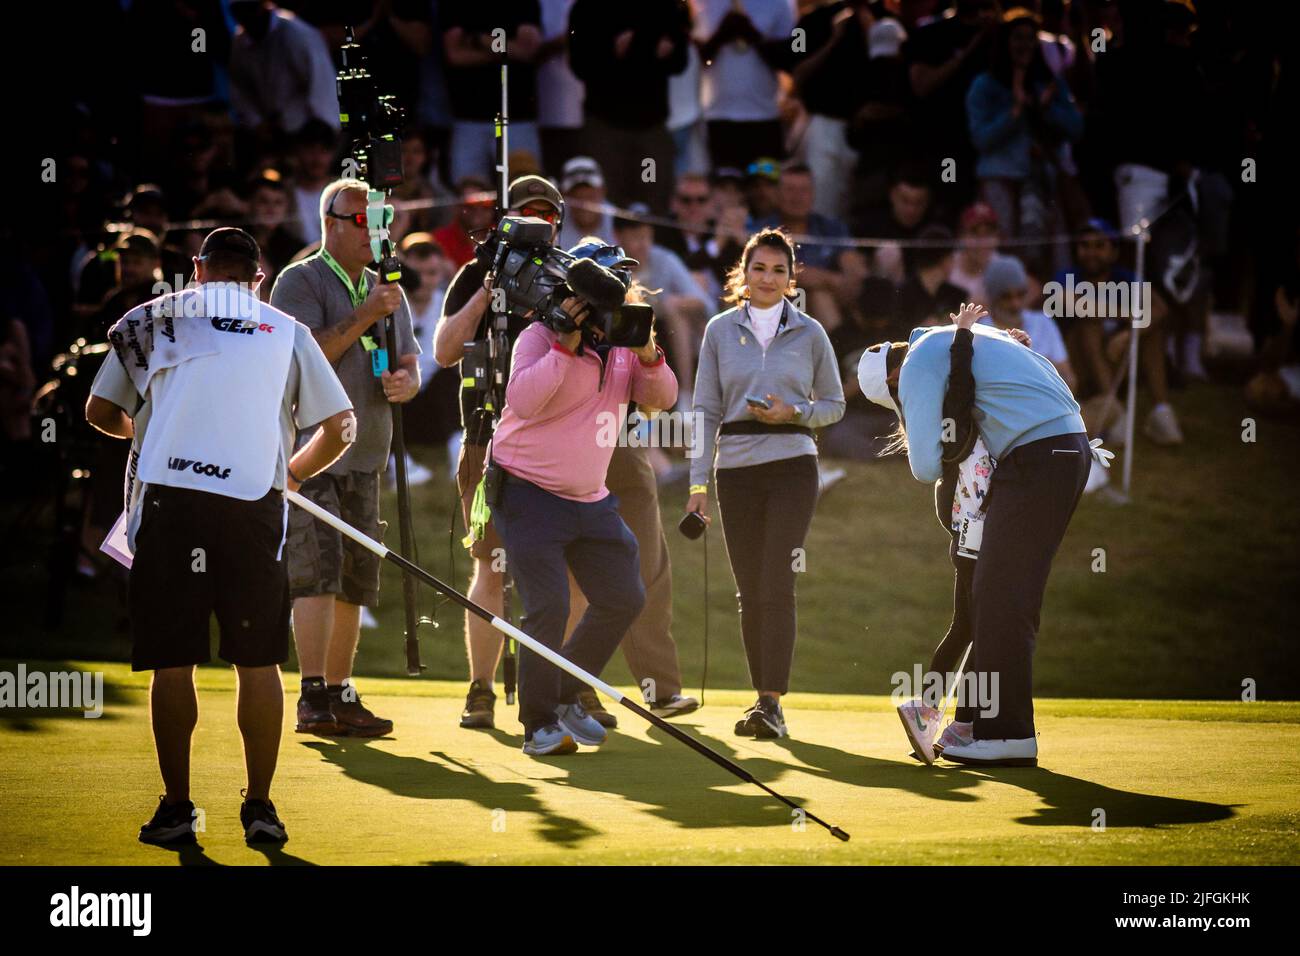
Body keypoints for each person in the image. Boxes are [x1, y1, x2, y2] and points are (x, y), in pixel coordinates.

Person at [84, 227, 355, 845]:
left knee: (172, 662)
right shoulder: (286, 330)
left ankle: (177, 810)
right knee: (258, 662)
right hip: (252, 506)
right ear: (258, 279)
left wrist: (154, 434)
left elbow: (99, 412)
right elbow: (341, 427)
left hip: (169, 503)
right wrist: (291, 473)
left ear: (198, 270)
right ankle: (260, 808)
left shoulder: (149, 318)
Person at [857, 298, 1092, 767]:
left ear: (892, 380)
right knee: (992, 597)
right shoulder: (956, 344)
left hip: (1040, 454)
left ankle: (1006, 734)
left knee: (1001, 598)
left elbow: (925, 468)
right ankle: (975, 724)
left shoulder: (924, 362)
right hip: (1060, 448)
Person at [486, 269, 678, 756]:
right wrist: (564, 347)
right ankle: (538, 724)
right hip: (527, 494)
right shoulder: (537, 337)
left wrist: (647, 352)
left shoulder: (620, 349)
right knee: (548, 606)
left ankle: (566, 689)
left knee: (624, 596)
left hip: (589, 498)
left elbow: (663, 398)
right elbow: (523, 401)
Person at [271, 179, 422, 738]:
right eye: (363, 222)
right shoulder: (300, 279)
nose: (375, 234)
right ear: (330, 222)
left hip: (368, 449)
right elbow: (301, 355)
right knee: (317, 572)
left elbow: (408, 357)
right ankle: (312, 693)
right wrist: (364, 313)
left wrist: (408, 379)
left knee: (359, 576)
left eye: (381, 223)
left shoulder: (387, 286)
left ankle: (340, 692)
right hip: (313, 453)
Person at [687, 228, 845, 739]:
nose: (769, 279)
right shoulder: (717, 331)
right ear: (744, 273)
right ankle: (762, 702)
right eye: (760, 269)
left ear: (791, 279)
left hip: (792, 464)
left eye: (779, 270)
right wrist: (696, 484)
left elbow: (835, 405)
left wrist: (792, 412)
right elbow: (705, 411)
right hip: (733, 471)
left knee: (778, 582)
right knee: (749, 591)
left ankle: (771, 702)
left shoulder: (811, 333)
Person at [432, 174, 566, 729]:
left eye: (548, 218)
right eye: (526, 217)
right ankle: (481, 688)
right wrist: (491, 288)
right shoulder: (475, 273)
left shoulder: (571, 276)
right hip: (487, 439)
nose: (538, 227)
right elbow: (442, 351)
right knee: (491, 563)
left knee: (563, 571)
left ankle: (564, 689)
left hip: (557, 445)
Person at [894, 302, 1037, 763]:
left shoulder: (979, 423)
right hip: (974, 535)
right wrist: (962, 338)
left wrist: (1009, 347)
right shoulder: (954, 427)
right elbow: (961, 386)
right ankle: (931, 711)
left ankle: (960, 721)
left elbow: (993, 386)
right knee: (968, 628)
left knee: (975, 629)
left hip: (981, 531)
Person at [568, 0, 691, 210]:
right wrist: (616, 51)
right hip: (606, 128)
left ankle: (651, 243)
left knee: (652, 197)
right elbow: (580, 64)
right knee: (608, 202)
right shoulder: (588, 8)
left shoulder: (665, 6)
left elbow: (679, 60)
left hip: (649, 131)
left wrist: (636, 49)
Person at [441, 1, 544, 184]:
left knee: (523, 191)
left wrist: (477, 40)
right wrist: (506, 51)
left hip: (517, 116)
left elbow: (527, 50)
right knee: (469, 196)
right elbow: (454, 55)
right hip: (468, 117)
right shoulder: (456, 5)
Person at [980, 254, 1076, 392]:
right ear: (993, 298)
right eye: (1006, 297)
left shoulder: (1043, 322)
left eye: (1020, 294)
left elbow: (1070, 381)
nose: (1015, 304)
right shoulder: (981, 331)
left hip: (1049, 404)